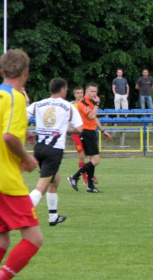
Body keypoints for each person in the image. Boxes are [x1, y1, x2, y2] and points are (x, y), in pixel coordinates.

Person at [0, 49, 43, 279]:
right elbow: (8, 137)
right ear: (26, 72)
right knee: (34, 238)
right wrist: (27, 158)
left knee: (2, 238)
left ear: (2, 71)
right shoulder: (16, 96)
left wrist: (22, 130)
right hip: (5, 179)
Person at [26, 78, 83, 226]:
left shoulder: (38, 104)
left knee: (55, 179)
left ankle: (53, 216)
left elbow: (21, 118)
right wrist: (68, 131)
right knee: (42, 186)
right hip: (54, 150)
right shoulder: (68, 106)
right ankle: (21, 210)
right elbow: (79, 129)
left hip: (39, 148)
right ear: (63, 90)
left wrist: (27, 132)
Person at [67, 83, 113, 193]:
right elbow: (91, 116)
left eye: (95, 92)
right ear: (86, 92)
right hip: (86, 132)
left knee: (92, 160)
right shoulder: (83, 102)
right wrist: (97, 104)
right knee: (96, 160)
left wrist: (103, 130)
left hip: (91, 132)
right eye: (92, 91)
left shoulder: (90, 102)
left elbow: (94, 118)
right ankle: (74, 177)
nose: (94, 94)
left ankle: (90, 186)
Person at [70, 87, 98, 185]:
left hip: (86, 131)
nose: (79, 94)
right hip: (78, 133)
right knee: (82, 155)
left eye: (81, 93)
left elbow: (93, 117)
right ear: (74, 95)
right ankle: (84, 178)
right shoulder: (72, 105)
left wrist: (103, 130)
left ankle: (90, 178)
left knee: (91, 157)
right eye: (77, 93)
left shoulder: (88, 102)